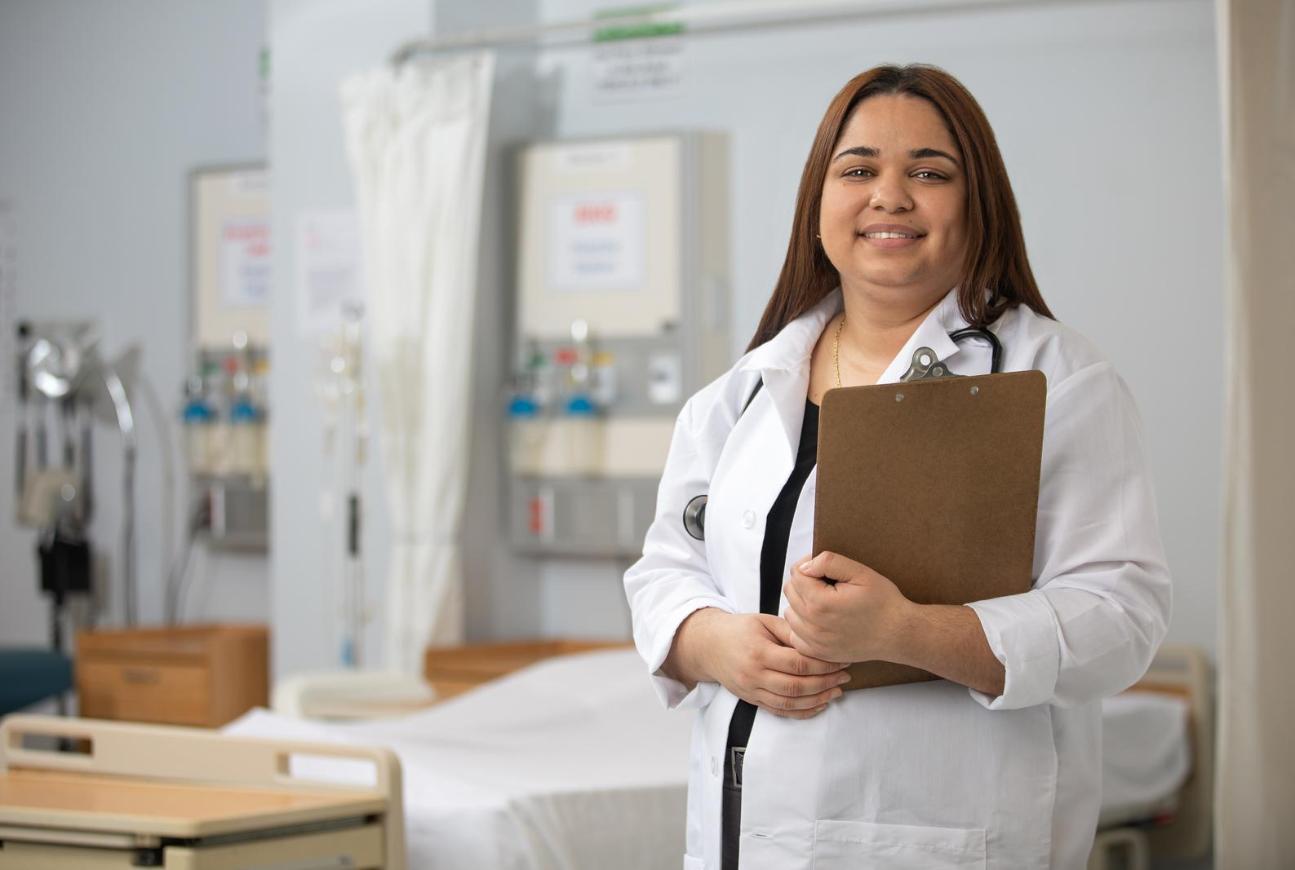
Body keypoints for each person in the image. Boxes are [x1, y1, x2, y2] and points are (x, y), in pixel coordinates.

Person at [622, 64, 1172, 870]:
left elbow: (1119, 616)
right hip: (741, 836)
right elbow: (663, 568)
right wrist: (713, 644)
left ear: (975, 203)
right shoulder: (737, 394)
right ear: (818, 203)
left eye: (928, 172)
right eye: (857, 170)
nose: (889, 195)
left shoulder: (1057, 382)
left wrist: (905, 632)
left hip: (939, 835)